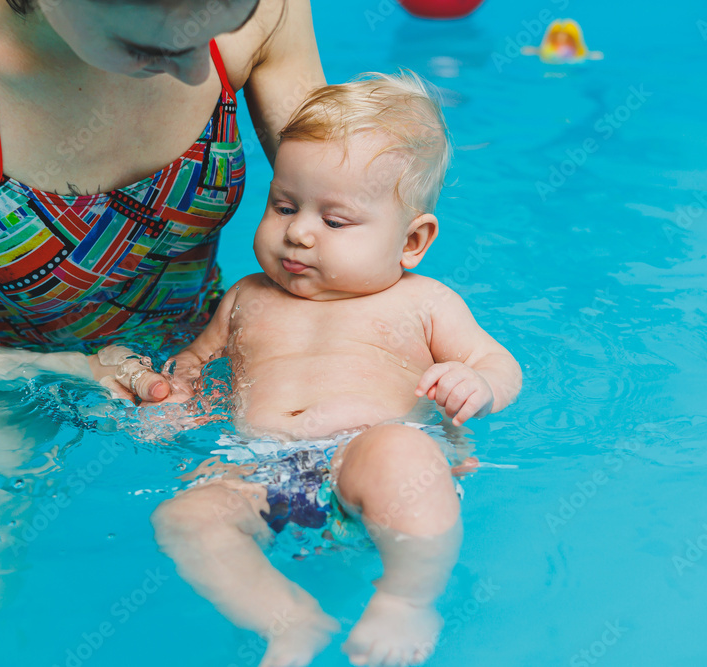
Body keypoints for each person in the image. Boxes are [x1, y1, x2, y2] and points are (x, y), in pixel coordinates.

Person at [149, 72, 522, 667]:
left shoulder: (422, 302)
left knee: (402, 456)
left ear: (411, 241)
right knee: (184, 518)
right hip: (261, 463)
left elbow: (497, 363)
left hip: (366, 454)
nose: (298, 232)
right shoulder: (246, 297)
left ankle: (405, 597)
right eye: (284, 205)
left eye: (335, 221)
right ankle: (289, 618)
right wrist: (179, 391)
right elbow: (197, 361)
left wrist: (476, 384)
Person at [0, 0, 325, 402]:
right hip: (6, 388)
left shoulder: (263, 7)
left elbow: (348, 216)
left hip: (209, 341)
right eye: (148, 46)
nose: (200, 75)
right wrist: (71, 373)